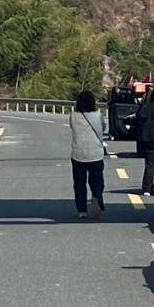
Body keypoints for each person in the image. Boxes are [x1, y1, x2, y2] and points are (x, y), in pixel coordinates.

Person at [68, 89, 106, 219]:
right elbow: (103, 128)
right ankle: (96, 196)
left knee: (79, 183)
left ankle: (82, 210)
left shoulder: (73, 116)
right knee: (97, 181)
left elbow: (72, 128)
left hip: (78, 153)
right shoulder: (98, 115)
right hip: (95, 153)